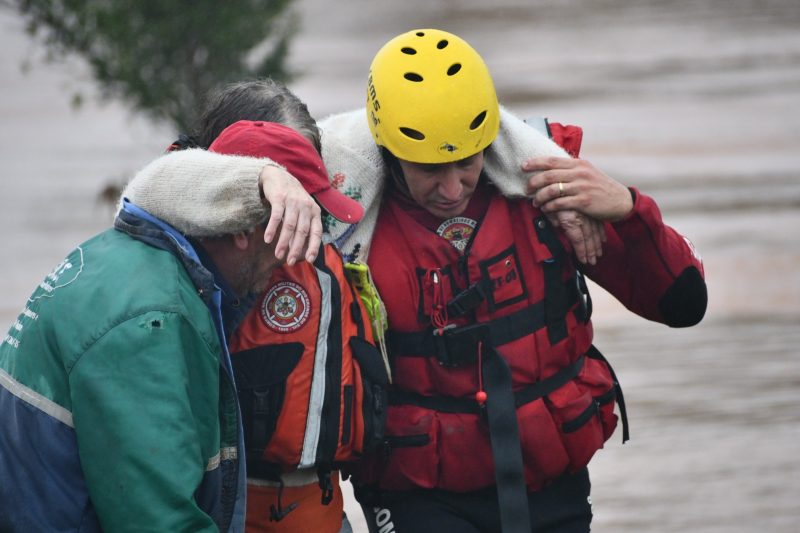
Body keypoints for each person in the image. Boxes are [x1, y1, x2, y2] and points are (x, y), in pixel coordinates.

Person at [122, 29, 708, 533]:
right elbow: (161, 192)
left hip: (551, 486)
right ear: (387, 148)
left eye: (468, 161)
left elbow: (683, 301)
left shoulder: (553, 196)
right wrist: (257, 182)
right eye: (429, 167)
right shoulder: (337, 208)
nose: (452, 187)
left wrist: (627, 208)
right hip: (416, 496)